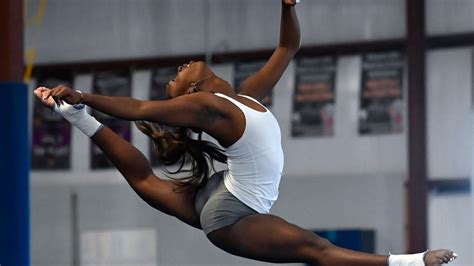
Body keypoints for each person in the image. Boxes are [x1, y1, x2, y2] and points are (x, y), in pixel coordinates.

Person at [34, 0, 457, 265]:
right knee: (315, 250)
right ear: (192, 93)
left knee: (145, 179)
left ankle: (75, 119)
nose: (179, 70)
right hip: (231, 215)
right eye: (174, 80)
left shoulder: (246, 96)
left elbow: (286, 49)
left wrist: (287, 7)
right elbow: (142, 109)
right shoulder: (209, 106)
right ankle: (414, 262)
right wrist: (84, 94)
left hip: (222, 192)